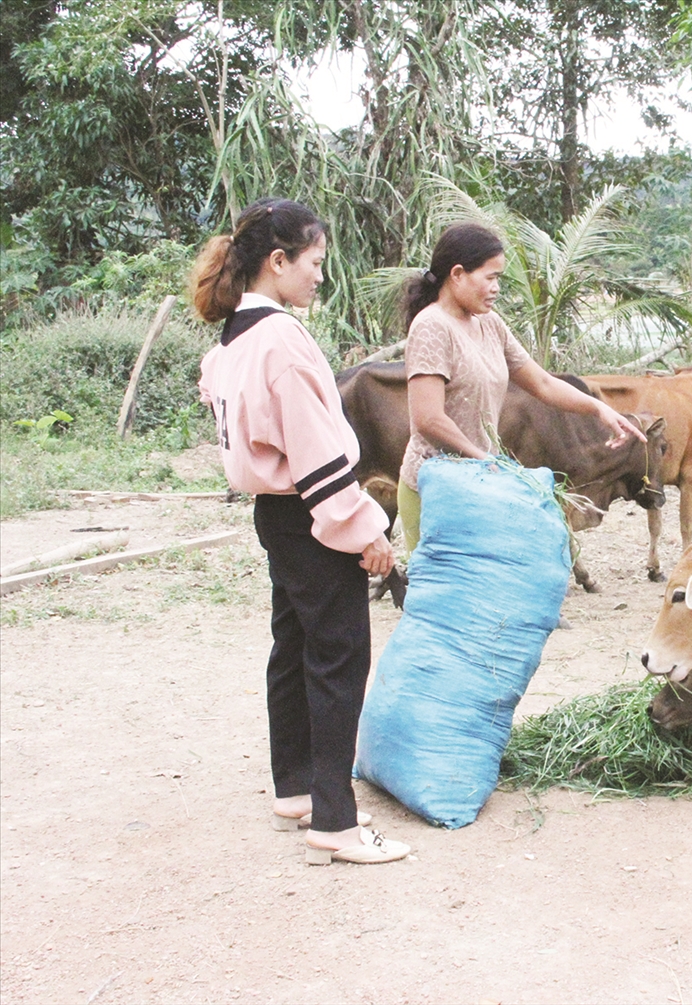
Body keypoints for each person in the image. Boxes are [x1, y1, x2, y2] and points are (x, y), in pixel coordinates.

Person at [192, 197, 408, 866]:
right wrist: (367, 532)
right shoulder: (282, 338)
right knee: (339, 655)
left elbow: (233, 409)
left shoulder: (234, 337)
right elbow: (316, 453)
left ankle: (297, 789)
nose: (320, 275)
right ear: (278, 262)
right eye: (313, 262)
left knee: (294, 648)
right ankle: (336, 824)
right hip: (312, 510)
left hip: (276, 514)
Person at [395, 222, 644, 552]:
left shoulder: (489, 323)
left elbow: (541, 382)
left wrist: (599, 408)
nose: (497, 288)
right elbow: (428, 419)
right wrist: (484, 459)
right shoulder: (432, 327)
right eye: (490, 277)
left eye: (499, 278)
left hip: (479, 483)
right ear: (457, 274)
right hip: (435, 488)